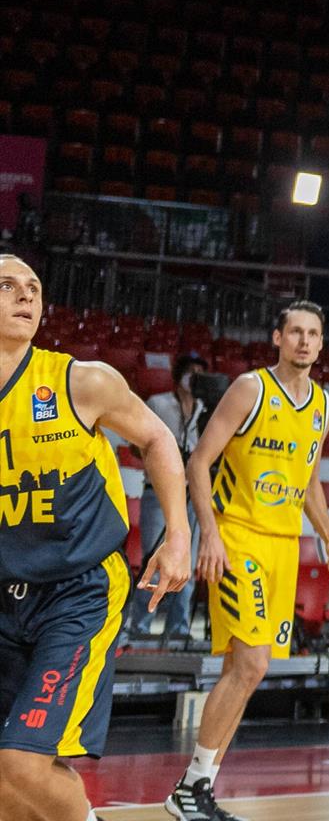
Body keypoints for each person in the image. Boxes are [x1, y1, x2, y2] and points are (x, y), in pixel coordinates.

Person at [0, 253, 190, 821]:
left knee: (20, 763)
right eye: (7, 286)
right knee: (8, 783)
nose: (26, 295)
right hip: (7, 592)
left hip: (79, 590)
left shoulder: (80, 381)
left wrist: (177, 535)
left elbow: (157, 439)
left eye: (33, 287)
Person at [168, 301, 329, 821]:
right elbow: (199, 461)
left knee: (243, 672)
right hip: (238, 538)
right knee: (253, 663)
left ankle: (197, 791)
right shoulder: (251, 388)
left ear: (321, 343)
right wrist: (209, 534)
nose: (304, 341)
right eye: (295, 331)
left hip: (284, 547)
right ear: (277, 337)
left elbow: (308, 479)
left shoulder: (324, 406)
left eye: (313, 333)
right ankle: (190, 788)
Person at [133, 354, 212, 639]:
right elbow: (135, 445)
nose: (194, 377)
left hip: (192, 494)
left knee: (186, 564)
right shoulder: (158, 403)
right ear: (178, 375)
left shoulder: (206, 410)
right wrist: (164, 455)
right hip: (158, 493)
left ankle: (178, 629)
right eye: (190, 371)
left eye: (200, 372)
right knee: (153, 560)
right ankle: (139, 627)